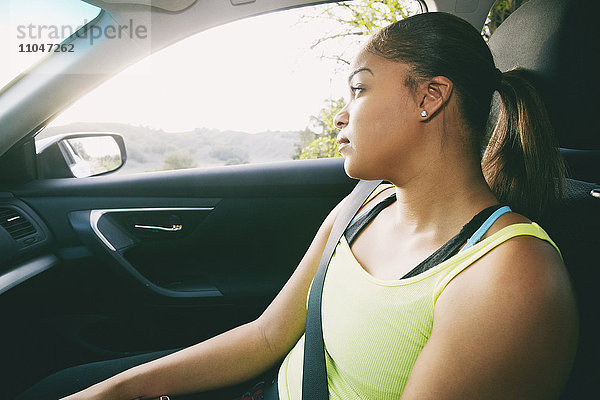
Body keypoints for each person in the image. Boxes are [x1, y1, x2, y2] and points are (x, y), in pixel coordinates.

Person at [19, 11, 578, 400]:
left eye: (358, 89)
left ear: (430, 97)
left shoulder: (508, 277)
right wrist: (125, 386)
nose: (340, 115)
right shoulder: (367, 205)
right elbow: (267, 337)